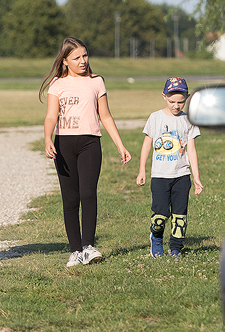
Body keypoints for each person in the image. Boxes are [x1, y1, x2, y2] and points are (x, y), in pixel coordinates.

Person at [41, 37, 131, 267]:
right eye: (76, 57)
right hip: (64, 145)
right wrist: (47, 138)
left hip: (90, 144)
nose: (83, 61)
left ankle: (89, 247)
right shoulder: (57, 85)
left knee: (88, 194)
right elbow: (51, 116)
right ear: (65, 61)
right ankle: (75, 251)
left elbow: (106, 116)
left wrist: (120, 144)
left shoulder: (96, 81)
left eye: (85, 55)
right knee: (70, 199)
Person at [136, 77, 203, 257]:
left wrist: (196, 177)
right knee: (160, 215)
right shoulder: (155, 118)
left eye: (181, 102)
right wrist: (142, 169)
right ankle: (156, 239)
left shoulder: (189, 120)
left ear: (187, 98)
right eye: (172, 101)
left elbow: (192, 151)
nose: (176, 106)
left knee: (180, 216)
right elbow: (146, 145)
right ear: (164, 96)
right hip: (160, 176)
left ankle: (175, 248)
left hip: (182, 175)